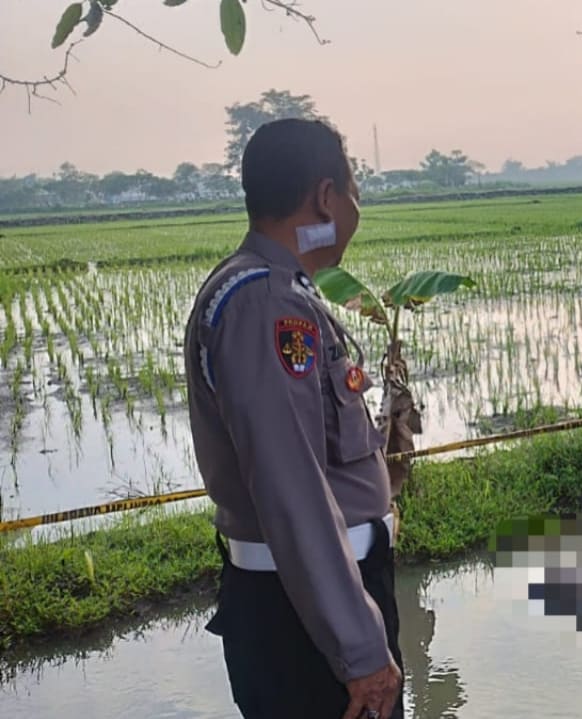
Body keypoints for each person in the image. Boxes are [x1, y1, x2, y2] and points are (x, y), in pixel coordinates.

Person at [182, 118, 404, 719]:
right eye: (353, 190)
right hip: (306, 622)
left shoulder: (275, 290)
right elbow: (293, 490)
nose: (356, 207)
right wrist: (360, 653)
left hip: (311, 604)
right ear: (325, 197)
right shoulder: (266, 304)